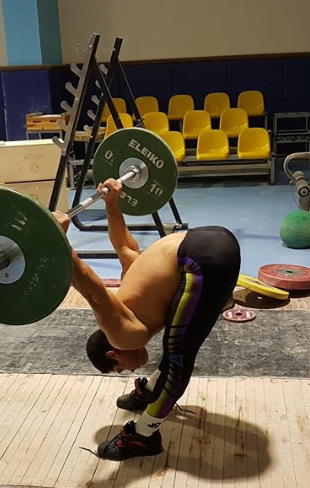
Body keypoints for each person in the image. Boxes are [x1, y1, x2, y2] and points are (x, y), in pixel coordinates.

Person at [54, 178, 241, 461]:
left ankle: (143, 436)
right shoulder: (131, 288)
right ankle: (152, 391)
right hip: (212, 236)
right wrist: (112, 203)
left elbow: (91, 289)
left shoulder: (122, 333)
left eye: (120, 369)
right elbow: (123, 245)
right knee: (176, 340)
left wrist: (59, 243)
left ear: (113, 352)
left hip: (205, 260)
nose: (129, 371)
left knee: (178, 359)